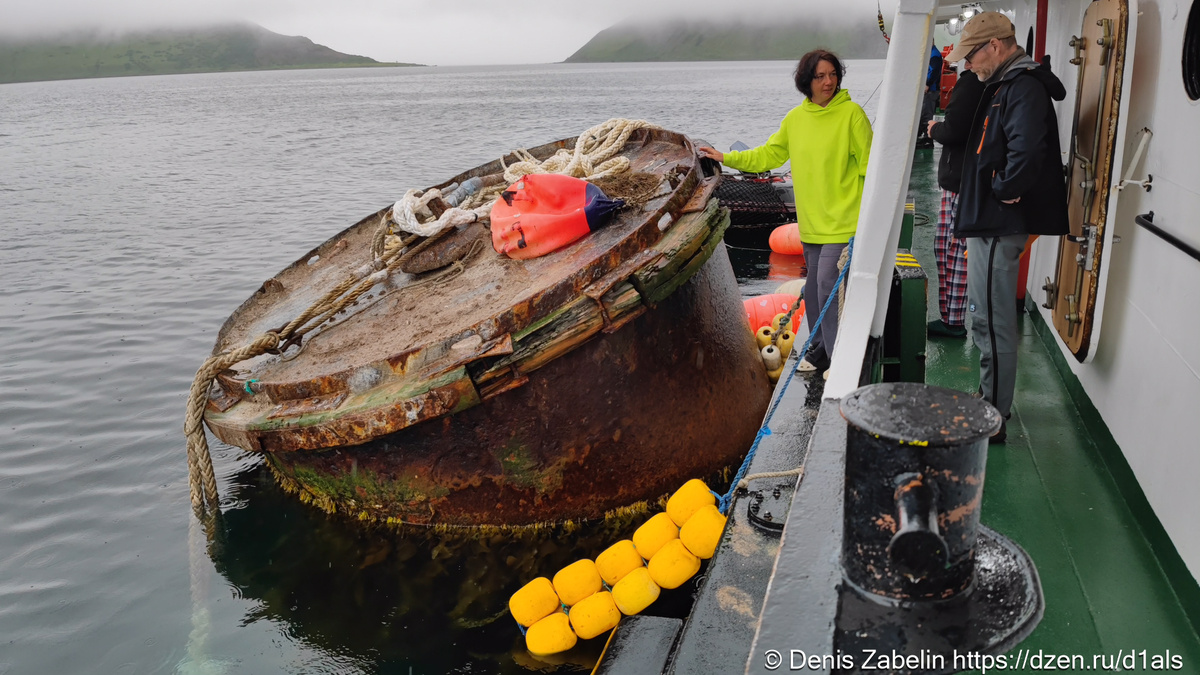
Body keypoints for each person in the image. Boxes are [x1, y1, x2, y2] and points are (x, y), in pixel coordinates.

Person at [698, 50, 872, 374]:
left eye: (833, 74)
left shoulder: (852, 116)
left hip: (843, 222)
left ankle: (838, 360)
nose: (828, 81)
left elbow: (870, 169)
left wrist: (867, 219)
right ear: (806, 81)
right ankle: (819, 351)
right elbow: (768, 155)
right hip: (811, 225)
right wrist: (724, 156)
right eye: (820, 76)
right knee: (815, 292)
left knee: (827, 287)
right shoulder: (795, 120)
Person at [946, 12, 1068, 443]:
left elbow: (1027, 146)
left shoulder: (1022, 87)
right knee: (983, 314)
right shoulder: (1004, 83)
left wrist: (1003, 189)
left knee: (994, 319)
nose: (970, 65)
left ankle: (992, 418)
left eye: (973, 56)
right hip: (989, 221)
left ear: (995, 46)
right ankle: (989, 397)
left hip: (999, 223)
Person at [925, 64, 985, 338]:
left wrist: (935, 128)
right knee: (947, 248)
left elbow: (955, 130)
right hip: (964, 180)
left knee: (954, 252)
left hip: (962, 182)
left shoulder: (971, 83)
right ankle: (951, 317)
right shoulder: (983, 82)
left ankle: (954, 321)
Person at [916, 43, 944, 147]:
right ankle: (924, 136)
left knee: (926, 114)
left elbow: (934, 71)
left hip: (931, 90)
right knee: (924, 113)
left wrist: (928, 84)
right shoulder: (930, 53)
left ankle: (928, 139)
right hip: (929, 89)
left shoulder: (934, 55)